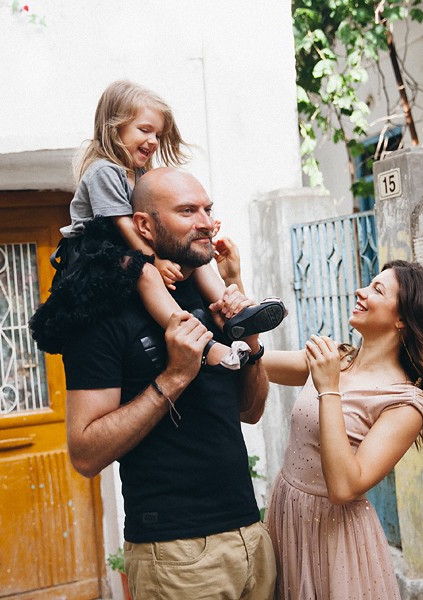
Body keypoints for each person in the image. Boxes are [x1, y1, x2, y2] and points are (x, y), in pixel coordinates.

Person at [61, 167, 276, 599]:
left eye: (208, 209)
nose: (206, 221)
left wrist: (247, 337)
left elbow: (250, 411)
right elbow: (84, 453)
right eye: (187, 211)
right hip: (175, 556)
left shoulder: (203, 292)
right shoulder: (100, 314)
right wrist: (174, 377)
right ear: (143, 225)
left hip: (250, 536)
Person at [30, 79, 285, 366]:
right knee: (147, 274)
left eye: (158, 135)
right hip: (93, 252)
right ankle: (203, 345)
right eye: (144, 130)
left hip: (125, 245)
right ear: (114, 128)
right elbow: (122, 224)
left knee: (196, 261)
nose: (152, 141)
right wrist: (153, 260)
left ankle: (235, 312)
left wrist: (198, 231)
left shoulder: (138, 175)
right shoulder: (104, 170)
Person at [261, 260, 423, 599]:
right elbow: (254, 362)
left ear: (402, 319)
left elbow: (345, 488)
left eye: (377, 289)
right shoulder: (338, 358)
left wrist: (328, 388)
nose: (360, 291)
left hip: (335, 538)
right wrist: (233, 283)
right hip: (288, 514)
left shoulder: (406, 402)